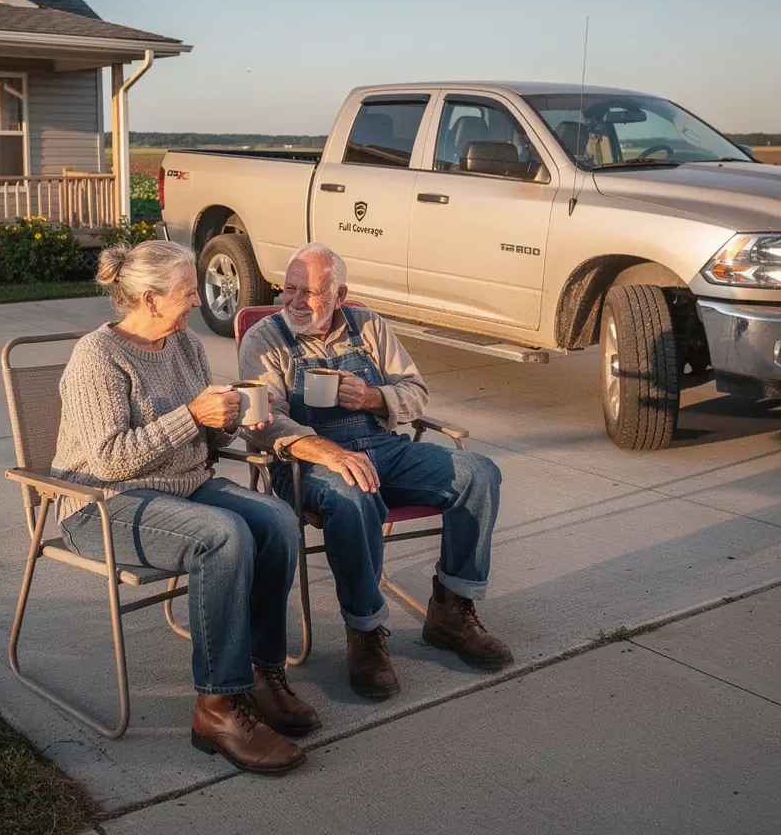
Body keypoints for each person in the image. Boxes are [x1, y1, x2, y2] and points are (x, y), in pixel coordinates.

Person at [51, 240, 319, 774]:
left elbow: (199, 445)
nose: (197, 301)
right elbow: (109, 460)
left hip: (179, 486)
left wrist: (231, 423)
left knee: (277, 520)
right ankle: (218, 707)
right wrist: (193, 417)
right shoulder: (97, 356)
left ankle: (262, 673)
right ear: (149, 299)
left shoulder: (187, 346)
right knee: (223, 535)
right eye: (187, 291)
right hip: (99, 505)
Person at [239, 242, 513, 701]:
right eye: (288, 289)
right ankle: (364, 632)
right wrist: (327, 451)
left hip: (382, 449)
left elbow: (416, 391)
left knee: (479, 473)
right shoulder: (265, 338)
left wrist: (373, 398)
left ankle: (451, 612)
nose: (295, 301)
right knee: (353, 494)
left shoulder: (369, 327)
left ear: (340, 295)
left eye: (310, 292)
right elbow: (266, 421)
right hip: (307, 464)